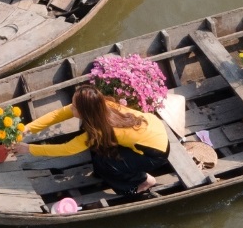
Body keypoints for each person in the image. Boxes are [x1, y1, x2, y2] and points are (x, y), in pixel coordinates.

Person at [18, 84, 171, 196]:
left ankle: (143, 180)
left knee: (105, 163)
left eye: (74, 108)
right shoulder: (101, 105)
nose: (70, 109)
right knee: (99, 152)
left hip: (155, 153)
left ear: (86, 111)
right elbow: (58, 114)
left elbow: (66, 149)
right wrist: (28, 128)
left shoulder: (97, 131)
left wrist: (29, 149)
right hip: (153, 130)